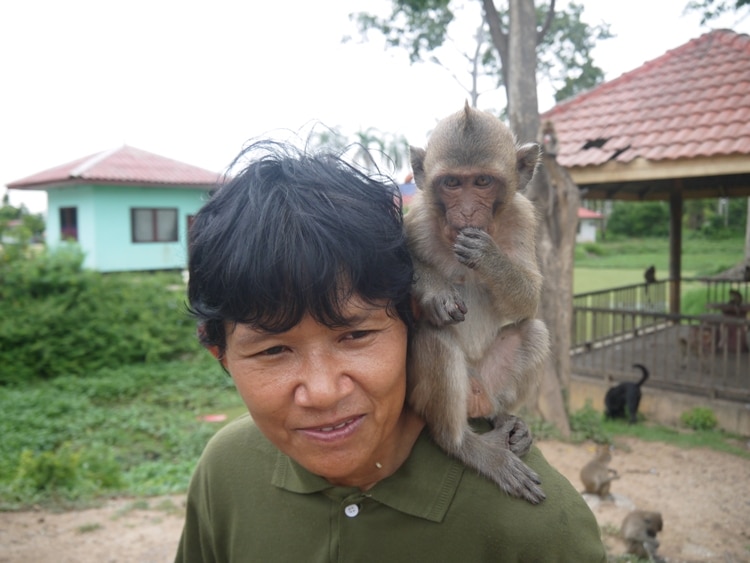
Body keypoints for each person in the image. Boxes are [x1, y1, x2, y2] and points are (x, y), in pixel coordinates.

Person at [175, 139, 607, 562]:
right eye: (273, 350)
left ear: (410, 317)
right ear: (219, 352)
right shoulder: (224, 473)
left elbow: (524, 303)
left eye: (354, 336)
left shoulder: (538, 529)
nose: (324, 392)